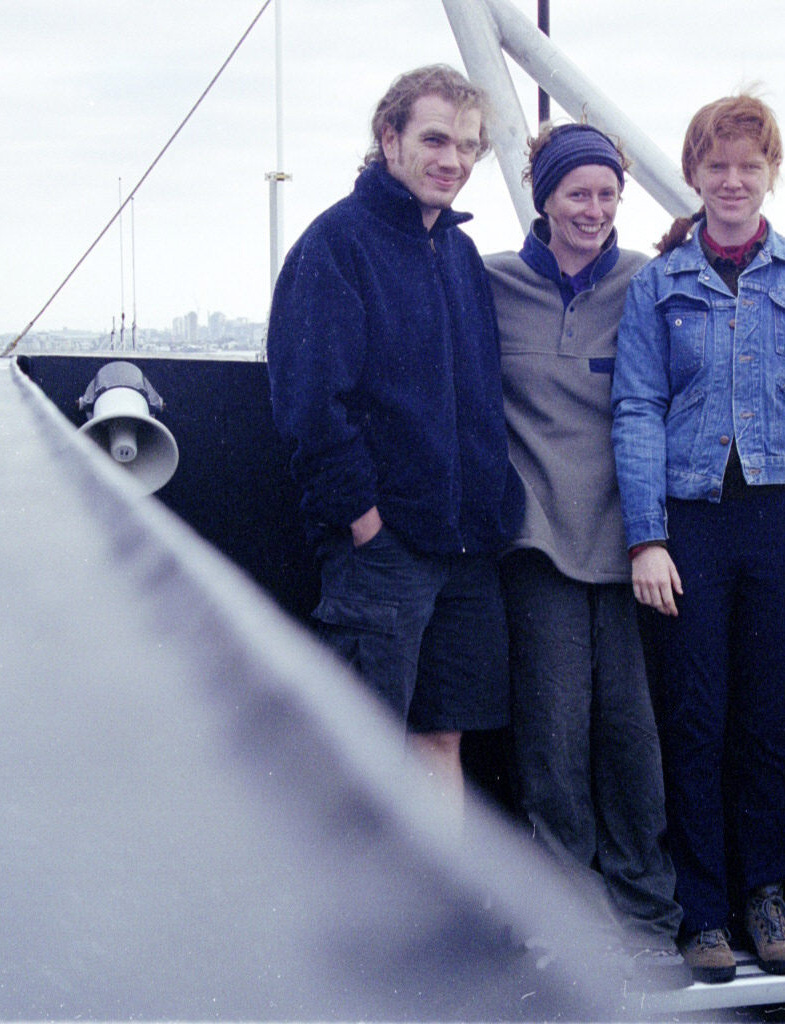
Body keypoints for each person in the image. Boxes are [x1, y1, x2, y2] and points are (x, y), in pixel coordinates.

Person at [610, 94, 785, 984]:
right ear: (693, 173)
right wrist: (647, 537)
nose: (731, 180)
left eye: (748, 165)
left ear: (771, 173)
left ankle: (766, 893)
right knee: (695, 715)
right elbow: (636, 407)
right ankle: (705, 909)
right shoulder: (658, 285)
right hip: (693, 522)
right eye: (715, 165)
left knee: (769, 715)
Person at [266, 65, 524, 832]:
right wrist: (366, 525)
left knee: (440, 738)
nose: (454, 160)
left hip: (465, 550)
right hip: (385, 551)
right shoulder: (336, 245)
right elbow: (311, 403)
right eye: (435, 140)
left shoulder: (460, 254)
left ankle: (434, 900)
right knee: (366, 748)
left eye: (468, 147)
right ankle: (360, 910)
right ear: (390, 138)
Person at [482, 123, 687, 989]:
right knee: (553, 742)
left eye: (607, 194)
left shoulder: (647, 282)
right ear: (544, 199)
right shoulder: (489, 281)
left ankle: (648, 917)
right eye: (577, 193)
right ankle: (570, 922)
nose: (594, 210)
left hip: (633, 544)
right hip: (539, 545)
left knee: (634, 740)